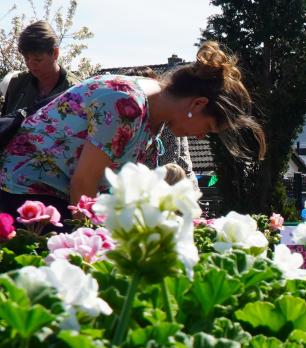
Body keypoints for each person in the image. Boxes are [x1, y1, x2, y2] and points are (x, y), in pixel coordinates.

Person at [0, 41, 265, 219]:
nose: (199, 137)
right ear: (197, 104)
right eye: (207, 128)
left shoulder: (154, 119)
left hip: (51, 197)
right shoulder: (127, 103)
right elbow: (83, 184)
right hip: (20, 193)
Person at [1, 21, 75, 116]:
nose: (31, 65)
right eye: (26, 58)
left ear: (55, 53)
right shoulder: (17, 83)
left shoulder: (75, 89)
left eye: (38, 60)